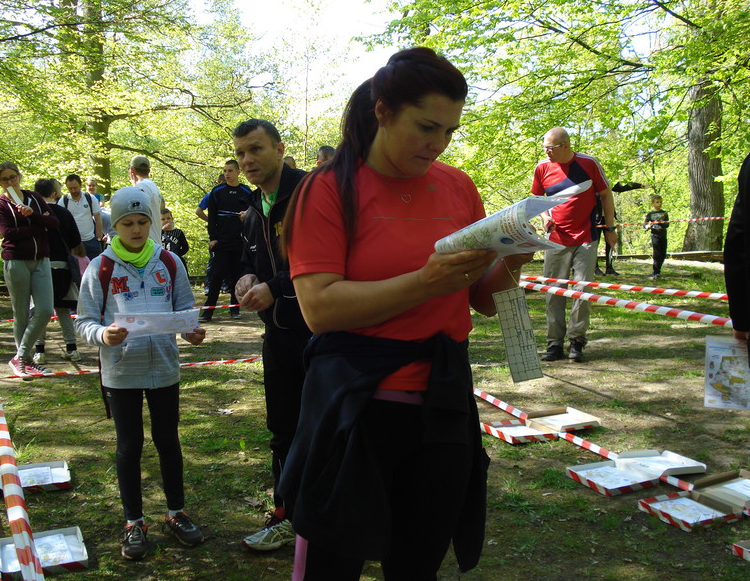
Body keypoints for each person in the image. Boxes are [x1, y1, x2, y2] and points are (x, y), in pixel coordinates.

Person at [278, 47, 532, 581]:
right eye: (426, 127)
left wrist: (515, 254)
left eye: (450, 131)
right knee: (331, 565)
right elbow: (319, 309)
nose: (438, 144)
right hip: (356, 407)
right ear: (384, 112)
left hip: (443, 405)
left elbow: (484, 300)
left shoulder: (458, 186)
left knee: (418, 566)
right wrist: (423, 283)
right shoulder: (327, 189)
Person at [75, 186, 206, 561]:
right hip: (121, 373)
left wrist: (191, 332)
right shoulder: (100, 268)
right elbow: (84, 320)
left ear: (152, 223)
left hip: (164, 369)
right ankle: (134, 521)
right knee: (129, 446)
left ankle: (176, 512)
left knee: (168, 441)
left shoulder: (170, 263)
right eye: (127, 223)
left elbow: (184, 311)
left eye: (142, 222)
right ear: (114, 226)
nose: (135, 229)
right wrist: (103, 335)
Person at [232, 119, 311, 551]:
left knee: (326, 429)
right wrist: (246, 277)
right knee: (282, 428)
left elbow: (323, 261)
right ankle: (286, 515)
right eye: (241, 153)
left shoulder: (310, 193)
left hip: (321, 335)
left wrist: (275, 288)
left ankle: (325, 519)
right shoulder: (252, 206)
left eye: (256, 149)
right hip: (277, 338)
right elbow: (250, 258)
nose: (247, 160)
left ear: (280, 149)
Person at [531, 126, 617, 362]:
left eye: (551, 148)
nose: (547, 152)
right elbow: (537, 198)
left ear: (566, 146)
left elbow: (606, 194)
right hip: (556, 239)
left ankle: (577, 342)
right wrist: (545, 216)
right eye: (545, 148)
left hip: (586, 237)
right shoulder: (542, 168)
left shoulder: (589, 163)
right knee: (553, 292)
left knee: (582, 291)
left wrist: (610, 229)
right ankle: (554, 344)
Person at [0, 161, 59, 377]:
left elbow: (54, 222)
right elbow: (8, 233)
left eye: (13, 177)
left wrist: (32, 215)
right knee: (20, 313)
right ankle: (26, 360)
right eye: (5, 179)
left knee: (46, 310)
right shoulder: (0, 203)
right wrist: (39, 226)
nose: (10, 182)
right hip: (16, 261)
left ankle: (20, 356)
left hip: (41, 260)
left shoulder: (34, 198)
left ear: (19, 177)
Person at [33, 178, 85, 363]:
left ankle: (39, 351)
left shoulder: (33, 214)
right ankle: (72, 349)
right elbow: (75, 241)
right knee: (63, 310)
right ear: (54, 193)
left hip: (39, 267)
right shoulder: (64, 213)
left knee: (40, 311)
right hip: (62, 267)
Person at [200, 160, 251, 322]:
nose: (227, 174)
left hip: (239, 241)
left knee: (237, 275)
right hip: (221, 241)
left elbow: (253, 215)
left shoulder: (246, 191)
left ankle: (235, 309)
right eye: (225, 171)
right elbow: (212, 217)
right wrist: (213, 238)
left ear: (238, 172)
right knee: (216, 275)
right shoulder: (217, 191)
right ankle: (208, 311)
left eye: (230, 171)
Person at [59, 173, 103, 260]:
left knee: (96, 266)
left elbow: (98, 218)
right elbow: (61, 222)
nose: (73, 190)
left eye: (75, 188)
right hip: (73, 243)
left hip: (91, 240)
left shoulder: (90, 198)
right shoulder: (63, 201)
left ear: (80, 185)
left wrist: (98, 237)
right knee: (76, 267)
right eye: (70, 188)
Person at [128, 155, 164, 245]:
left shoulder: (141, 187)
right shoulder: (153, 186)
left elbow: (135, 213)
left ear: (132, 170)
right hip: (154, 242)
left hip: (146, 244)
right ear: (149, 170)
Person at [644, 194, 669, 279]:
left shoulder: (664, 213)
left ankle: (659, 268)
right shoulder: (650, 214)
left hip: (663, 235)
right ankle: (656, 271)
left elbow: (667, 224)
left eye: (660, 202)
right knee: (657, 253)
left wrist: (660, 223)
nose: (659, 204)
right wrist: (647, 226)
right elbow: (645, 224)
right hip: (655, 235)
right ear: (653, 203)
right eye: (657, 202)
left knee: (663, 253)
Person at [160, 207, 190, 274]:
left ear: (172, 219)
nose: (166, 220)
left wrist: (177, 255)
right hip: (161, 261)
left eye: (168, 218)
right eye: (163, 219)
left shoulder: (178, 232)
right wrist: (162, 230)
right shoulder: (158, 232)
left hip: (175, 261)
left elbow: (185, 248)